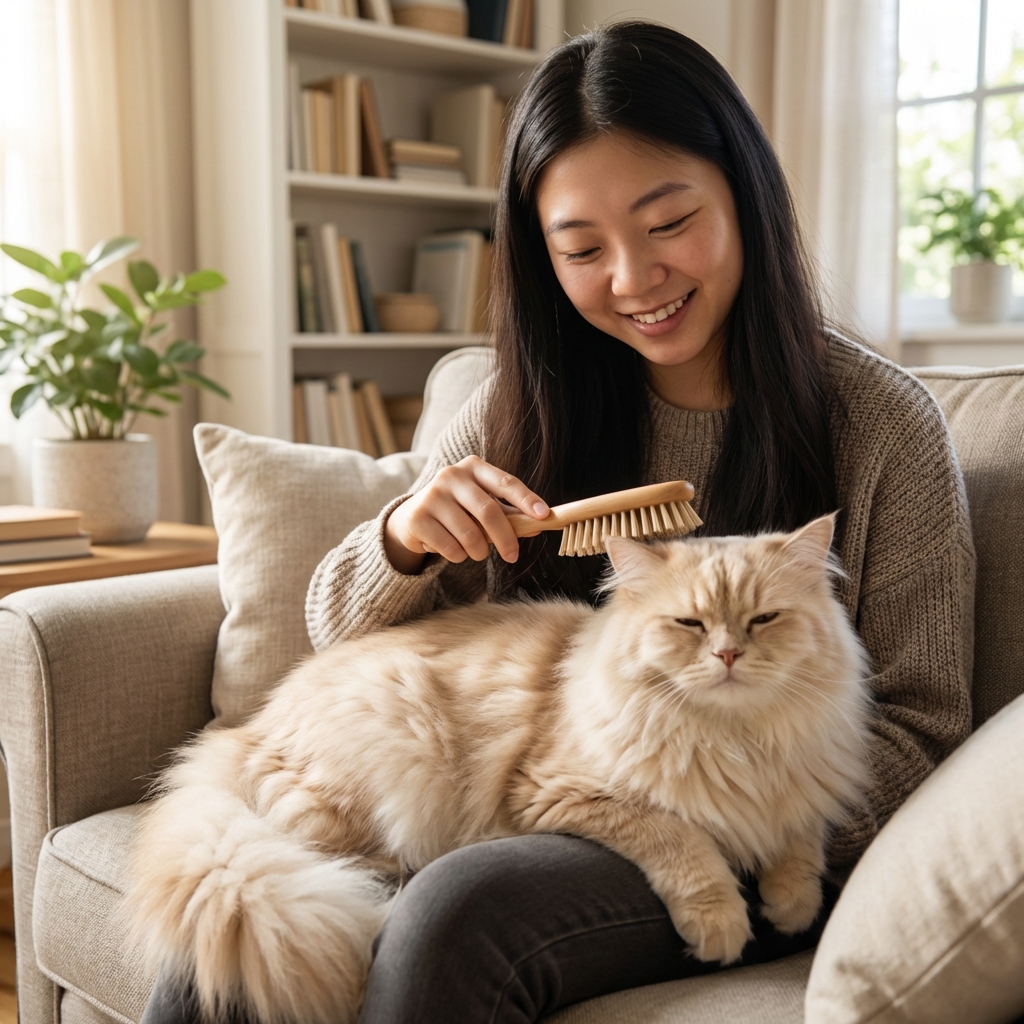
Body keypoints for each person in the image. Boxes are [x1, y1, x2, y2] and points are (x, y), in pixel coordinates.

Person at [141, 21, 974, 1024]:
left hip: (744, 835)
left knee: (456, 909)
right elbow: (340, 645)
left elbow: (924, 734)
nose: (632, 279)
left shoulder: (880, 424)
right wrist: (403, 536)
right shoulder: (516, 404)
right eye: (581, 248)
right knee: (221, 939)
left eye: (668, 223)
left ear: (744, 196)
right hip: (529, 776)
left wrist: (721, 787)